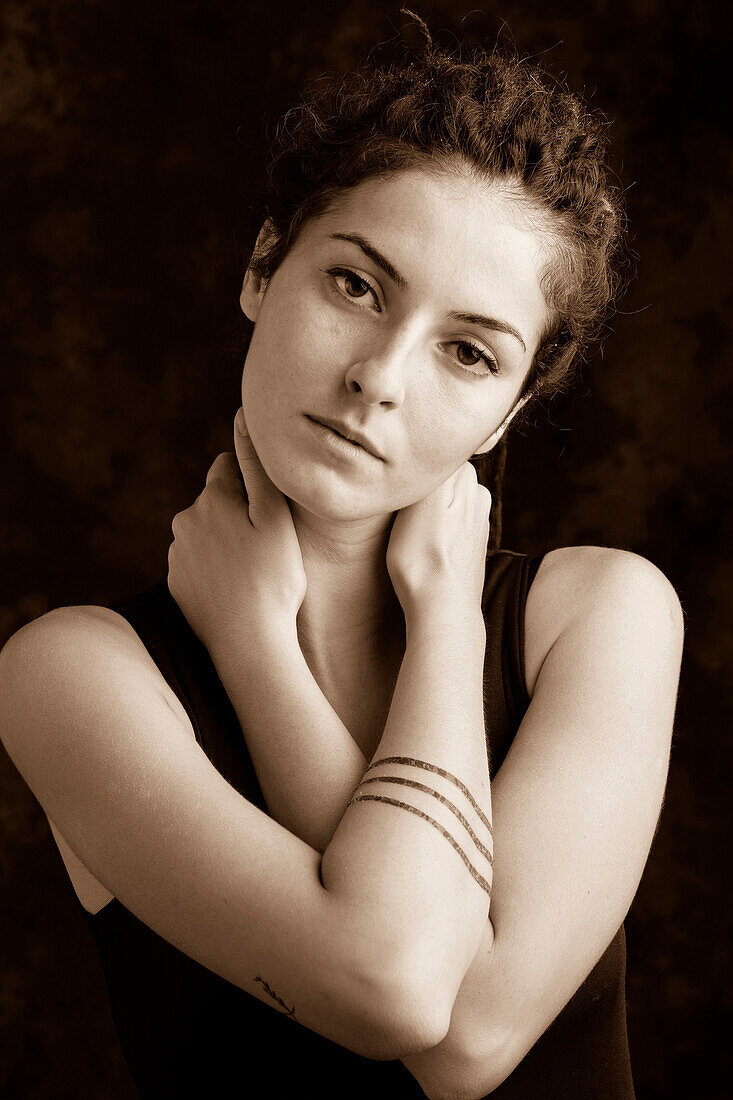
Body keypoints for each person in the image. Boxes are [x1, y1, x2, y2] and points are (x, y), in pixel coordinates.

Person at [0, 16, 684, 1099]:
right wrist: (246, 640)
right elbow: (406, 989)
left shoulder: (600, 614)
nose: (381, 376)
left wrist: (431, 622)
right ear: (263, 267)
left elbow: (462, 1047)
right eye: (356, 285)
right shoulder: (73, 675)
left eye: (467, 351)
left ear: (507, 412)